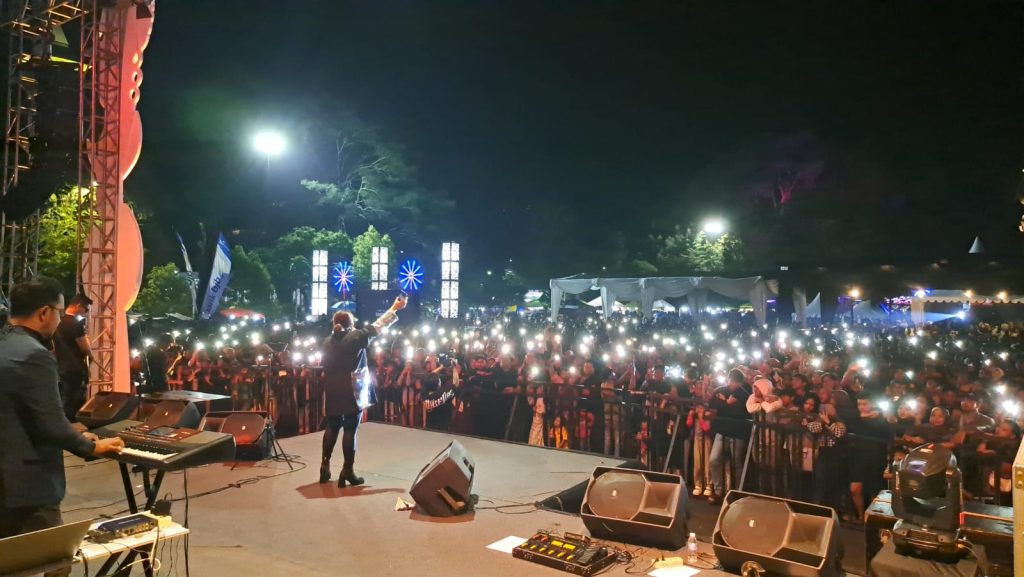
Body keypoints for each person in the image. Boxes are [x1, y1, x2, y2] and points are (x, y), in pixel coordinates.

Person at [0, 277, 124, 549]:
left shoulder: (5, 344)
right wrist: (92, 447)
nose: (60, 319)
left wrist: (74, 429)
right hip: (27, 488)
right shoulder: (34, 355)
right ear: (44, 312)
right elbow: (51, 424)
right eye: (59, 311)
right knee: (48, 559)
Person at [319, 296, 406, 487]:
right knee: (350, 428)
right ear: (351, 324)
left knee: (332, 426)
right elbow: (379, 325)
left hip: (332, 389)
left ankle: (324, 466)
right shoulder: (355, 337)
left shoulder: (326, 342)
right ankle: (347, 470)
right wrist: (394, 307)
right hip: (351, 390)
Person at [52, 294, 93, 421]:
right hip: (76, 368)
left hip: (61, 367)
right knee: (76, 403)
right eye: (86, 309)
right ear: (78, 306)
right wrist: (90, 356)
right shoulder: (76, 324)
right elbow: (85, 348)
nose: (86, 313)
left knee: (65, 400)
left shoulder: (56, 322)